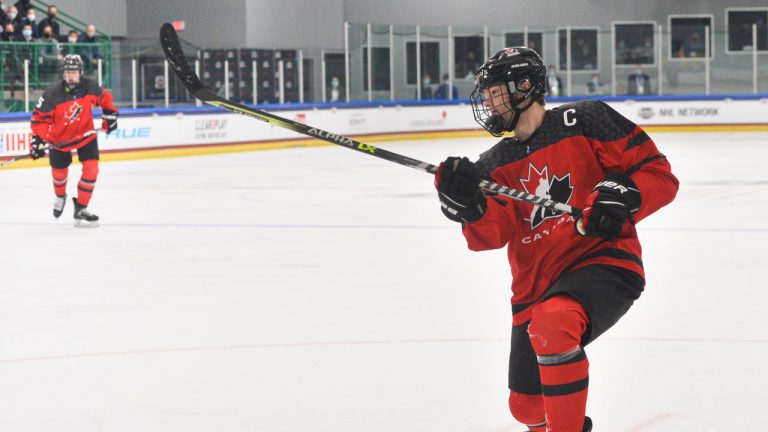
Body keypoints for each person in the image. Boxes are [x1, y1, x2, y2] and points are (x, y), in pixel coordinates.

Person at [434, 47, 678, 431]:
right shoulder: (492, 165)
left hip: (604, 263)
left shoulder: (587, 120)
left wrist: (625, 194)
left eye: (494, 92)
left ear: (525, 86)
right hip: (535, 289)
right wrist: (468, 205)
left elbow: (659, 175)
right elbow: (490, 235)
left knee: (555, 322)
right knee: (526, 408)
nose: (486, 102)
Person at [29, 54, 118, 227]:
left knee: (91, 170)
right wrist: (38, 140)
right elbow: (39, 120)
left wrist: (110, 115)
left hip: (85, 135)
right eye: (68, 72)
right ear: (63, 73)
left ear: (80, 73)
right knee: (59, 174)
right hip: (59, 139)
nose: (71, 75)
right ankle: (60, 196)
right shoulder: (51, 94)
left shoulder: (90, 85)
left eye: (74, 72)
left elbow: (104, 99)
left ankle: (81, 208)